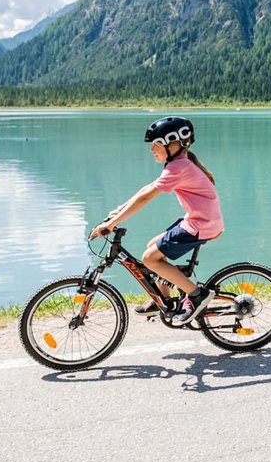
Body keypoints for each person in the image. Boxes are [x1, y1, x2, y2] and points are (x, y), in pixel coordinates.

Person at [89, 116, 225, 316]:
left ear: (174, 145)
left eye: (156, 144)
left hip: (201, 226)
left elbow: (146, 198)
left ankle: (197, 295)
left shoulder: (179, 168)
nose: (152, 149)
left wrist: (113, 224)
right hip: (199, 222)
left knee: (149, 259)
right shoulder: (179, 164)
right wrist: (117, 212)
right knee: (153, 247)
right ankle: (164, 299)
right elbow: (147, 189)